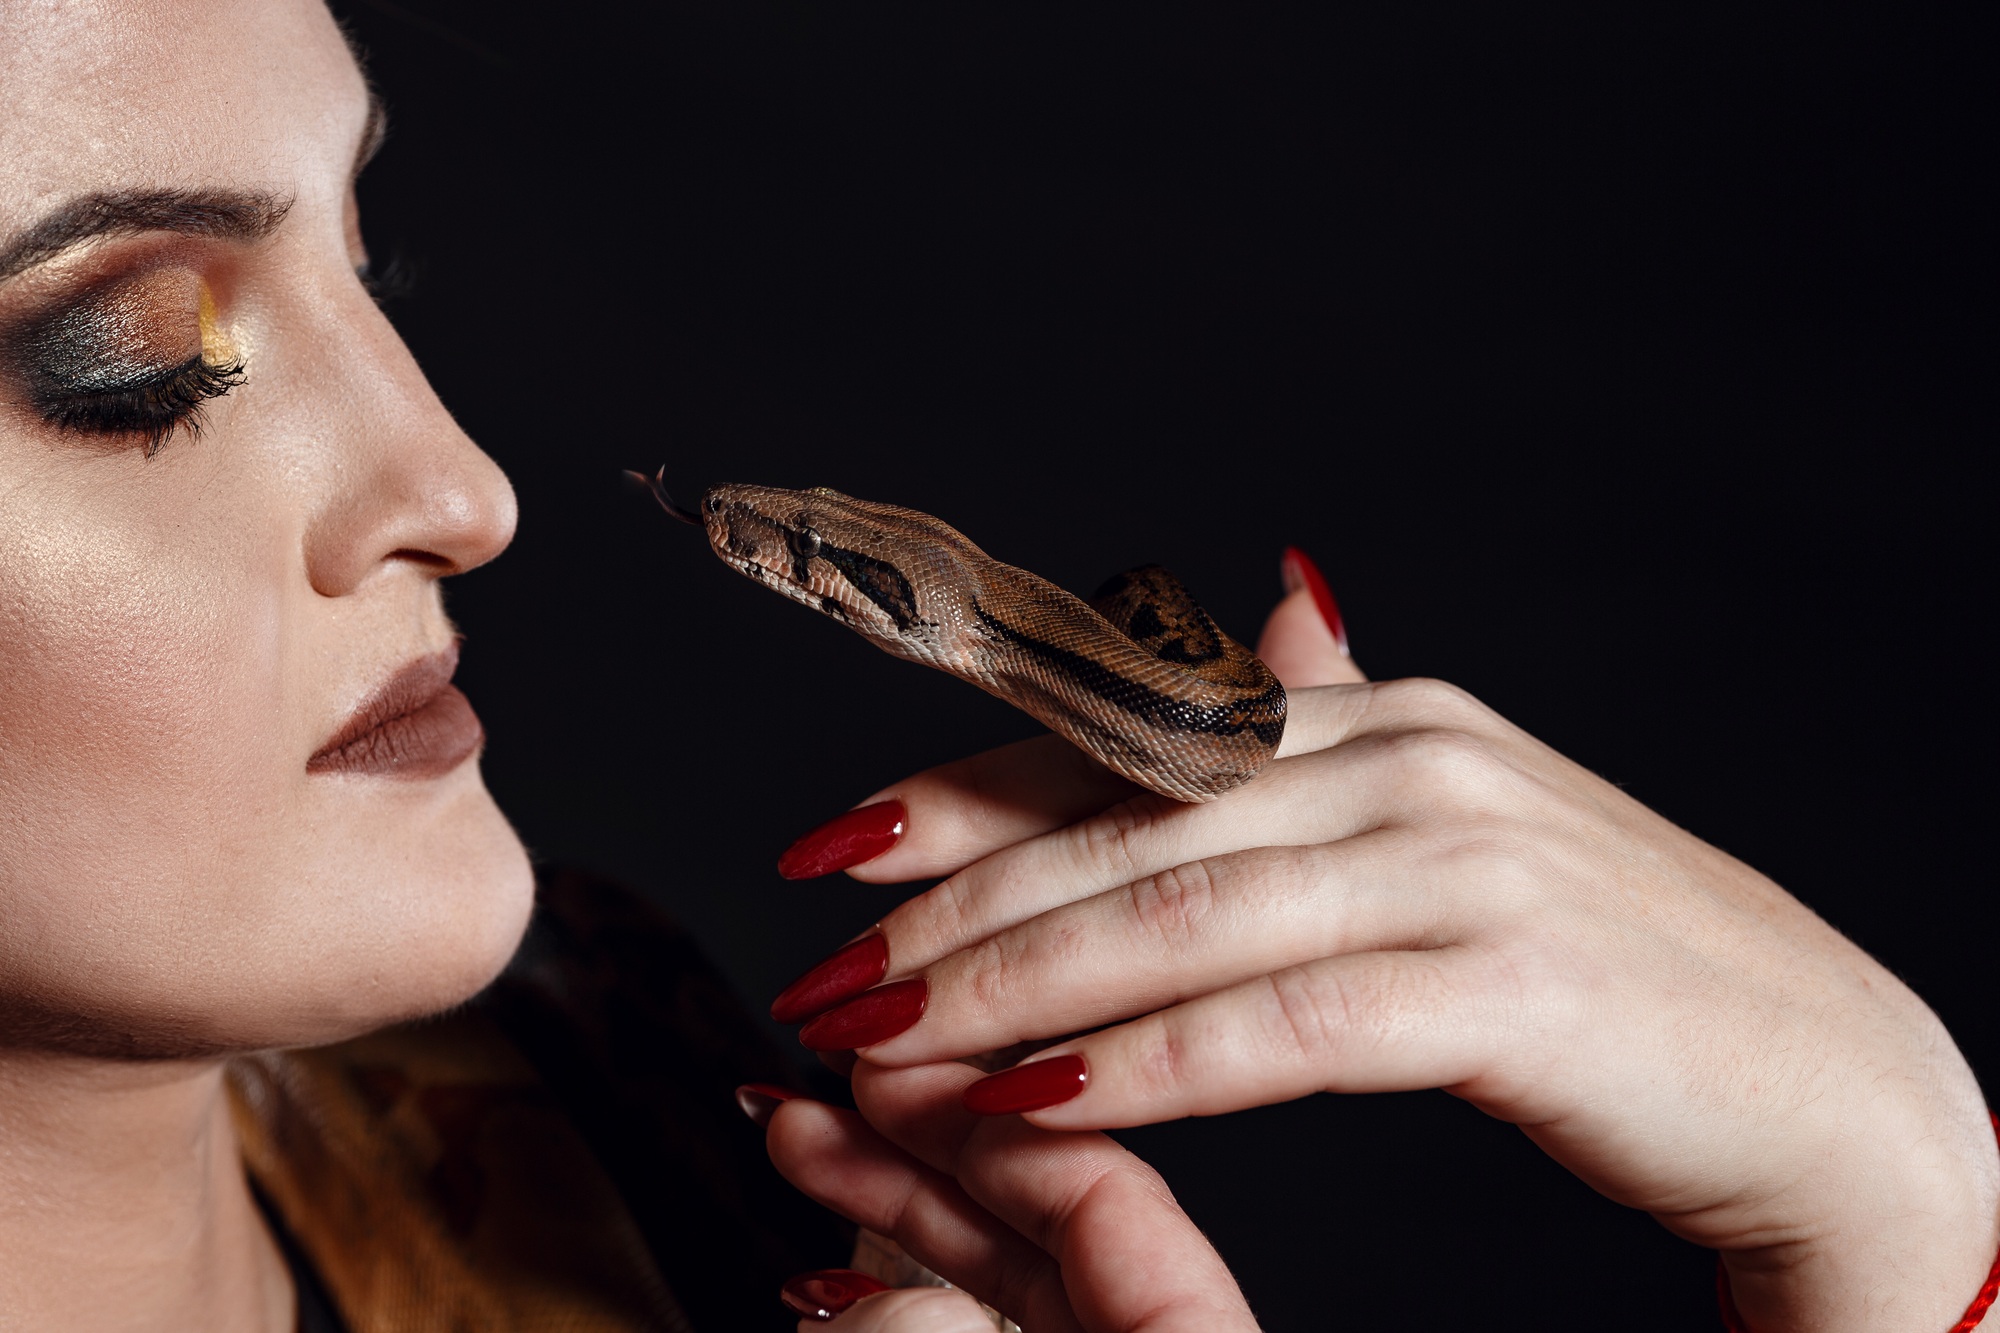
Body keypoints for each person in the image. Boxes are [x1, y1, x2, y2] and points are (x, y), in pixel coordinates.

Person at [0, 4, 1990, 1332]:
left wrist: (1904, 1245)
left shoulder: (630, 1078)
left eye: (372, 258)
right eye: (136, 360)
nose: (464, 487)